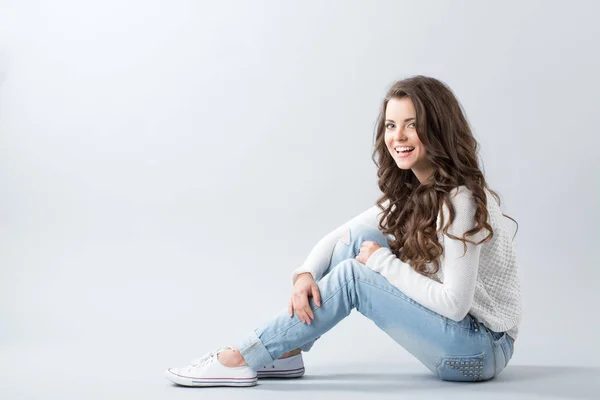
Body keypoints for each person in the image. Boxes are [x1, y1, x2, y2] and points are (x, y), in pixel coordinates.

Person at [164, 75, 521, 387]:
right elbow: (341, 236)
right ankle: (286, 350)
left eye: (413, 125)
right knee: (353, 245)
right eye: (390, 125)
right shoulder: (416, 193)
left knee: (355, 274)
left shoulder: (463, 200)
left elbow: (455, 306)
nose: (398, 136)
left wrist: (382, 262)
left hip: (481, 349)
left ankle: (243, 356)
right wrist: (305, 273)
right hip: (461, 341)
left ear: (439, 130)